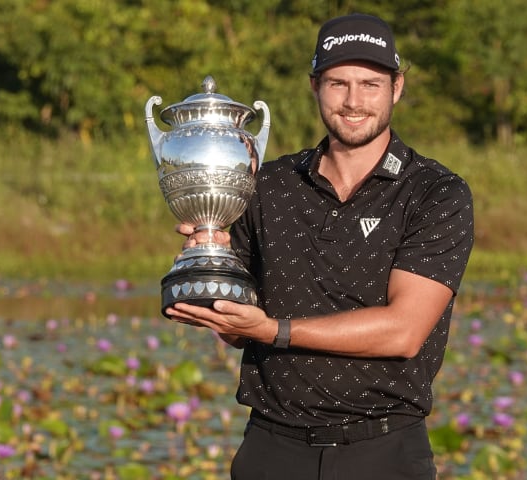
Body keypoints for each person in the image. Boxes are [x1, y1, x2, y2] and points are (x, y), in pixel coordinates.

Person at [166, 12, 474, 480]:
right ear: (315, 86)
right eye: (338, 83)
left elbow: (403, 331)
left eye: (370, 84)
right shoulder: (266, 185)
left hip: (383, 452)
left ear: (398, 87)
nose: (353, 101)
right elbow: (236, 331)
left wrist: (273, 330)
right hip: (271, 448)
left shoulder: (434, 192)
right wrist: (211, 265)